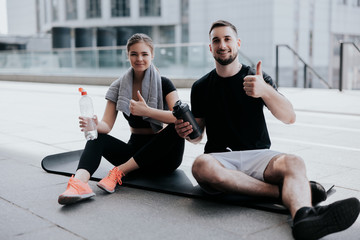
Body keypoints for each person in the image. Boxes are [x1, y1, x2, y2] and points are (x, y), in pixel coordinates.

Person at [174, 20, 360, 240]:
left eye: (227, 39)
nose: (222, 45)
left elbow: (289, 117)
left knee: (295, 162)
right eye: (216, 40)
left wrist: (265, 91)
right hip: (220, 159)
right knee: (200, 165)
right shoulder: (200, 86)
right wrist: (187, 132)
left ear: (238, 43)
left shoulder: (257, 78)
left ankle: (304, 218)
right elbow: (198, 136)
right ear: (210, 47)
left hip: (259, 156)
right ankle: (286, 193)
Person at [58, 33, 185, 205]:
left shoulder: (165, 83)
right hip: (133, 152)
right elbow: (107, 125)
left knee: (178, 125)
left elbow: (179, 116)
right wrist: (95, 125)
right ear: (128, 56)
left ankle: (119, 172)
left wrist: (148, 111)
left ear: (152, 55)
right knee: (97, 137)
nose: (139, 58)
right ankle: (79, 184)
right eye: (134, 54)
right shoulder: (118, 87)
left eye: (144, 54)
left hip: (163, 157)